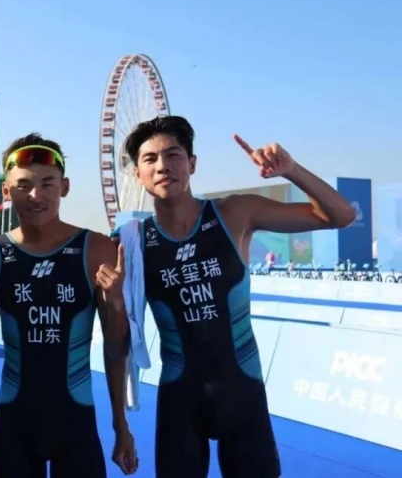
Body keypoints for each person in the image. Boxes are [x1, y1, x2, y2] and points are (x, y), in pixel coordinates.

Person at [117, 115, 356, 477]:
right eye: (150, 159)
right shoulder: (130, 242)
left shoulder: (234, 214)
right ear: (138, 173)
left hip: (243, 397)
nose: (163, 166)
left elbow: (340, 216)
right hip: (180, 402)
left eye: (173, 155)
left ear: (192, 163)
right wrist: (120, 425)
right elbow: (113, 332)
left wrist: (291, 170)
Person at [0, 133, 138, 478]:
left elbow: (116, 349)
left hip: (76, 422)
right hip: (15, 422)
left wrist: (121, 425)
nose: (35, 195)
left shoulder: (96, 249)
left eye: (47, 184)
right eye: (23, 185)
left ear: (64, 187)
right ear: (6, 192)